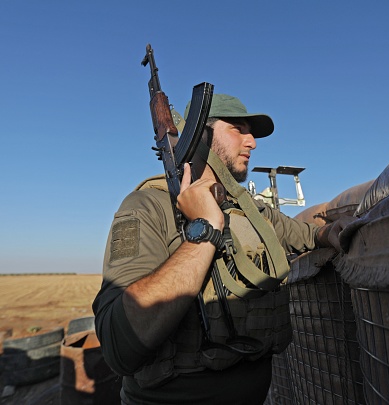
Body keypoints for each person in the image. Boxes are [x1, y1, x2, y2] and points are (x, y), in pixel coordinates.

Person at [93, 93, 351, 404]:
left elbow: (305, 234)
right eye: (238, 129)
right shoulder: (148, 207)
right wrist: (204, 228)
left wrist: (329, 232)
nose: (252, 142)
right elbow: (119, 346)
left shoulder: (248, 210)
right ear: (200, 136)